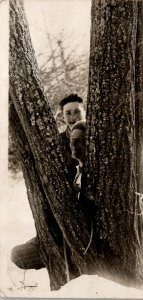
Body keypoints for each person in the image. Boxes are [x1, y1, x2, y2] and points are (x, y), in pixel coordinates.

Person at [11, 94, 86, 270]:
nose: (73, 117)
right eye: (68, 113)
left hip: (87, 215)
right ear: (62, 116)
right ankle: (61, 254)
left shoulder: (99, 140)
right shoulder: (58, 143)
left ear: (85, 111)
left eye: (77, 112)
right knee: (17, 255)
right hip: (60, 218)